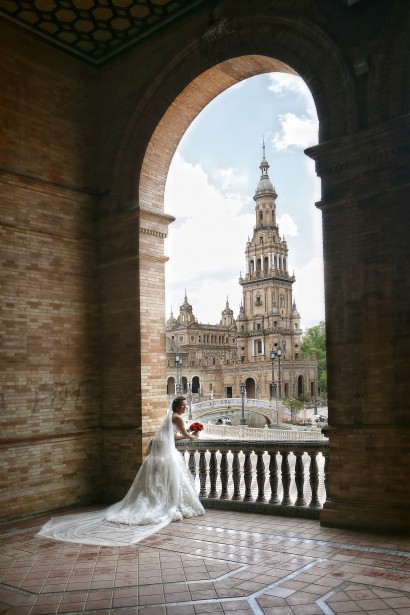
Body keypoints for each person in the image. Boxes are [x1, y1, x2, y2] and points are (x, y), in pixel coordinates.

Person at [36, 397, 205, 546]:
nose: (185, 408)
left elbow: (172, 436)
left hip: (160, 451)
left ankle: (160, 500)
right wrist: (194, 435)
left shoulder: (171, 417)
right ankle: (166, 503)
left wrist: (186, 434)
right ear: (177, 406)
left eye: (185, 406)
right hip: (165, 453)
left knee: (157, 482)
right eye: (184, 406)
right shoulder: (177, 417)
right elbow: (185, 434)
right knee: (168, 479)